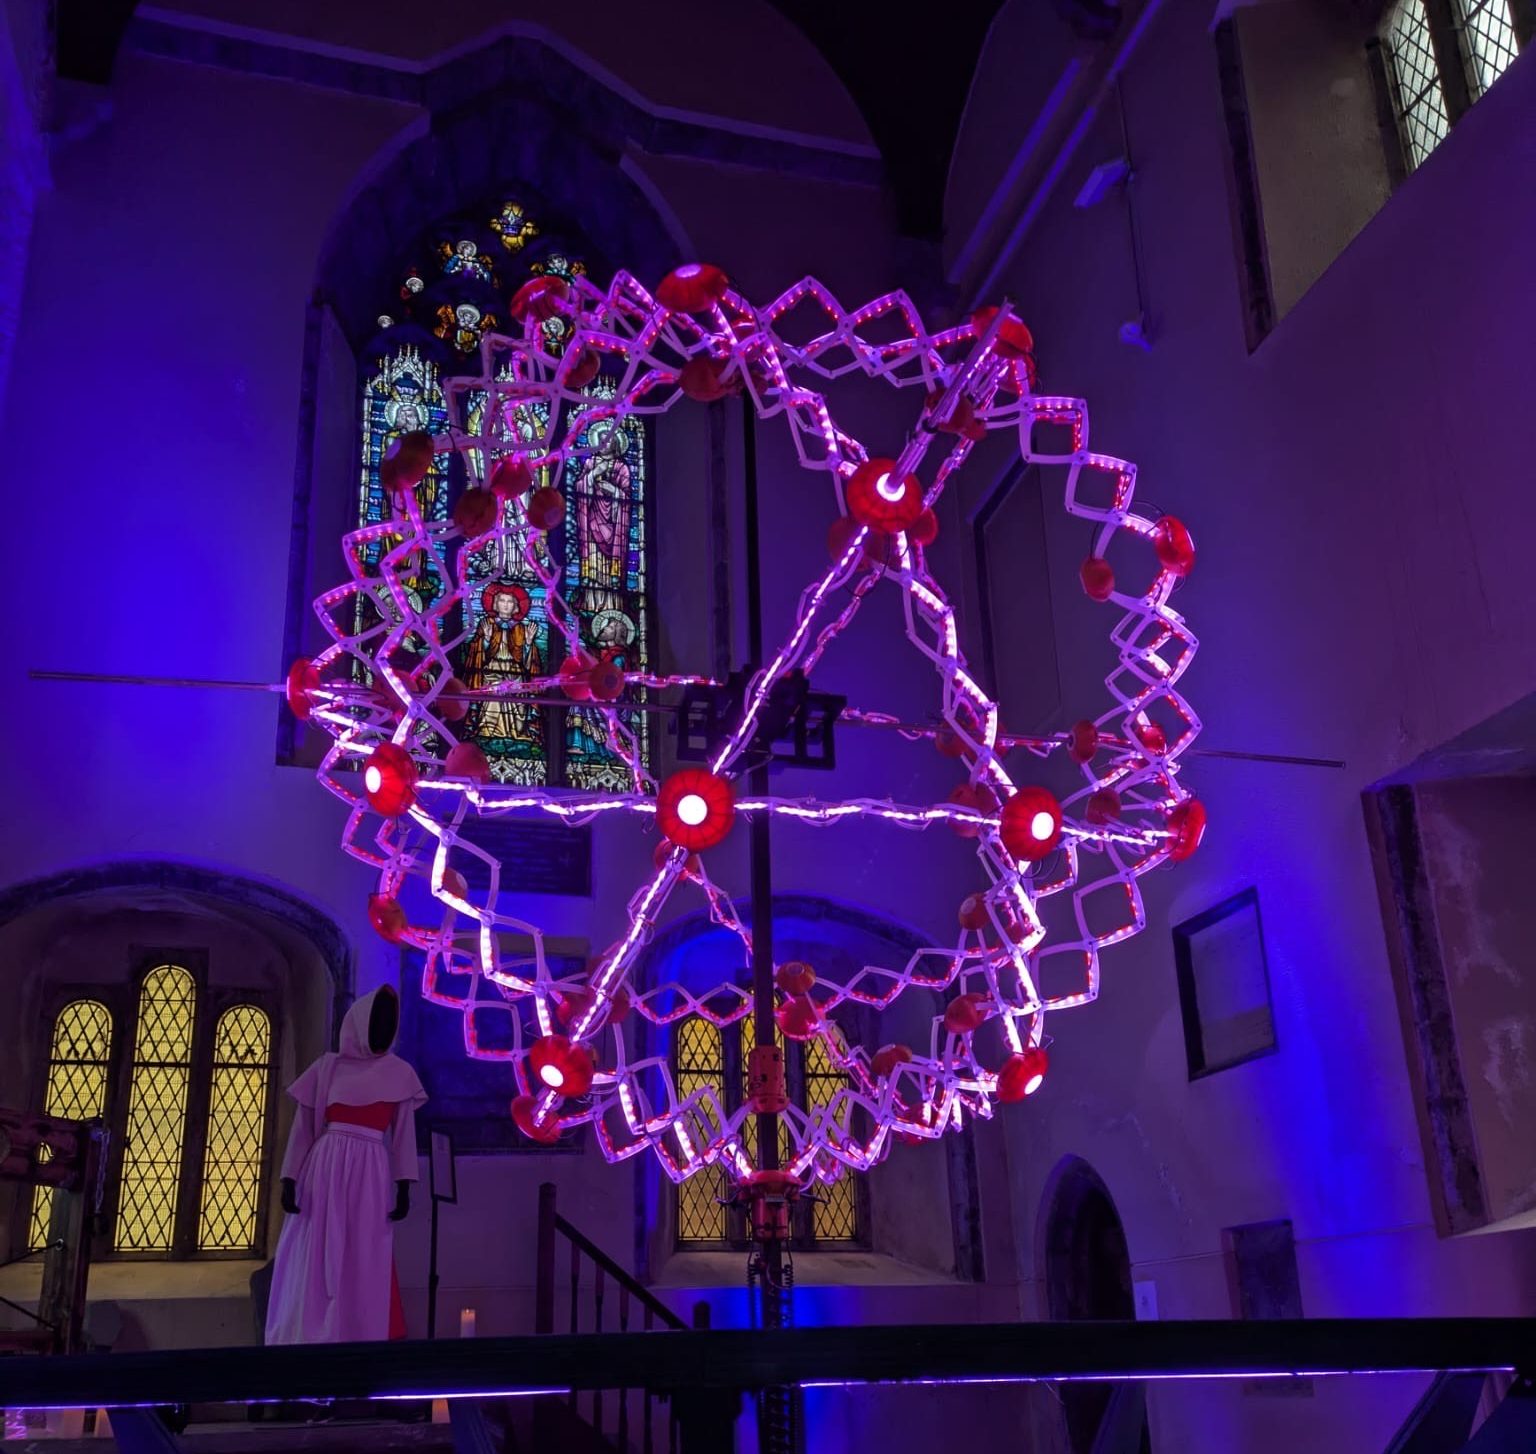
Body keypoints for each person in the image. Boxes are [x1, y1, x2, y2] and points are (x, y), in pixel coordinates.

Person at [264, 985, 425, 1345]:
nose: (384, 1029)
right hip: (325, 1169)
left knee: (364, 1252)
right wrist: (289, 1178)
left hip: (371, 1172)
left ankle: (357, 1333)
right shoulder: (327, 1068)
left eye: (389, 1022)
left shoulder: (400, 1073)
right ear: (361, 1022)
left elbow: (402, 1137)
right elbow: (304, 1128)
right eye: (378, 1020)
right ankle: (311, 1335)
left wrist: (403, 1185)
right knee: (319, 1249)